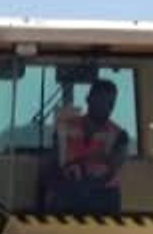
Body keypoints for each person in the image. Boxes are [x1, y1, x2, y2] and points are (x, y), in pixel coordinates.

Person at [45, 78, 129, 214]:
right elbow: (53, 163)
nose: (106, 106)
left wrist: (87, 181)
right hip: (67, 192)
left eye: (110, 103)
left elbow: (114, 166)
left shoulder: (120, 135)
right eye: (101, 100)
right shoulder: (64, 129)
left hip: (104, 198)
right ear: (88, 99)